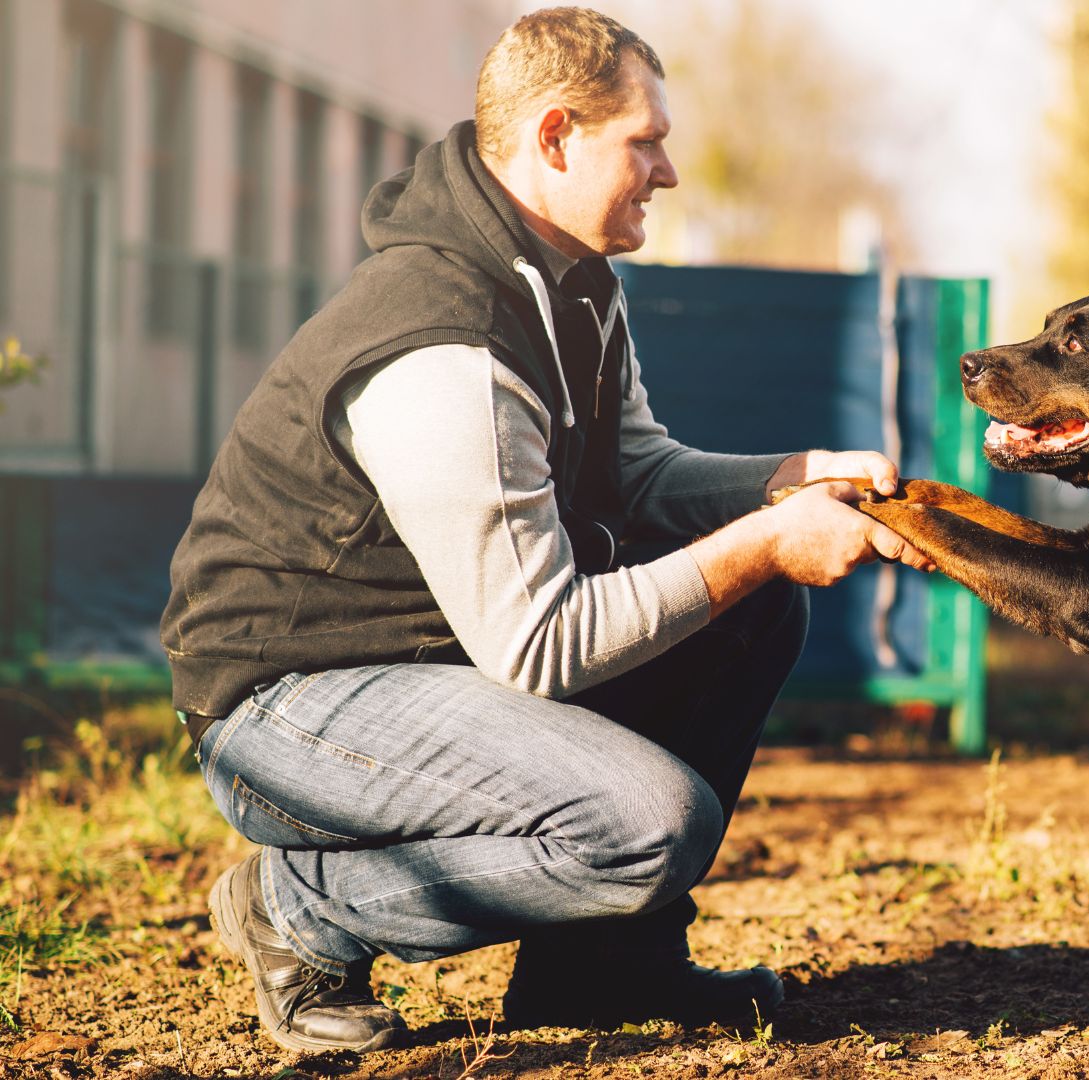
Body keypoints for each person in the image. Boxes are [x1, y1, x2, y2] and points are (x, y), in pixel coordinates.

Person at [159, 7, 930, 1054]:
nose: (666, 172)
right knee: (644, 828)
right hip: (288, 705)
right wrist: (762, 540)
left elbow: (641, 470)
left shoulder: (573, 285)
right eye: (645, 142)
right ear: (558, 136)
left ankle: (603, 970)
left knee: (755, 612)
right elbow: (540, 644)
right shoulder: (446, 344)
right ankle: (299, 905)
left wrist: (789, 480)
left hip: (426, 660)